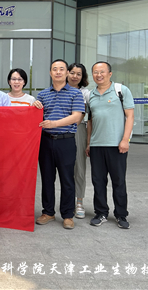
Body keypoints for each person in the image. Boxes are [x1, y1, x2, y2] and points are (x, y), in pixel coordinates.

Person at [33, 59, 84, 230]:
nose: (58, 72)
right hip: (46, 141)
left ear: (67, 73)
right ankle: (48, 212)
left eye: (62, 69)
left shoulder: (75, 94)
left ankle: (68, 215)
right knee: (47, 178)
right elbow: (37, 117)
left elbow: (76, 116)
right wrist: (34, 106)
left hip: (66, 140)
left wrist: (54, 124)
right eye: (54, 69)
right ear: (50, 73)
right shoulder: (43, 94)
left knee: (67, 179)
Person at [86, 61, 134, 229]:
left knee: (118, 181)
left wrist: (125, 140)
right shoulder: (91, 95)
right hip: (96, 145)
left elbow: (130, 116)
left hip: (117, 144)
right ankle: (101, 213)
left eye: (102, 71)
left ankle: (121, 214)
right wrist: (88, 143)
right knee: (98, 181)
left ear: (110, 73)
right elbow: (90, 121)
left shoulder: (121, 90)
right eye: (95, 72)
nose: (99, 75)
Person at [66, 62, 91, 219]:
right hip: (58, 130)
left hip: (78, 130)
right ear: (67, 73)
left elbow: (87, 116)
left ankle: (79, 201)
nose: (75, 76)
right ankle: (66, 201)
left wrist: (88, 142)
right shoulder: (59, 89)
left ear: (83, 77)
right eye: (72, 73)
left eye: (79, 74)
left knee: (79, 167)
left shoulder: (86, 94)